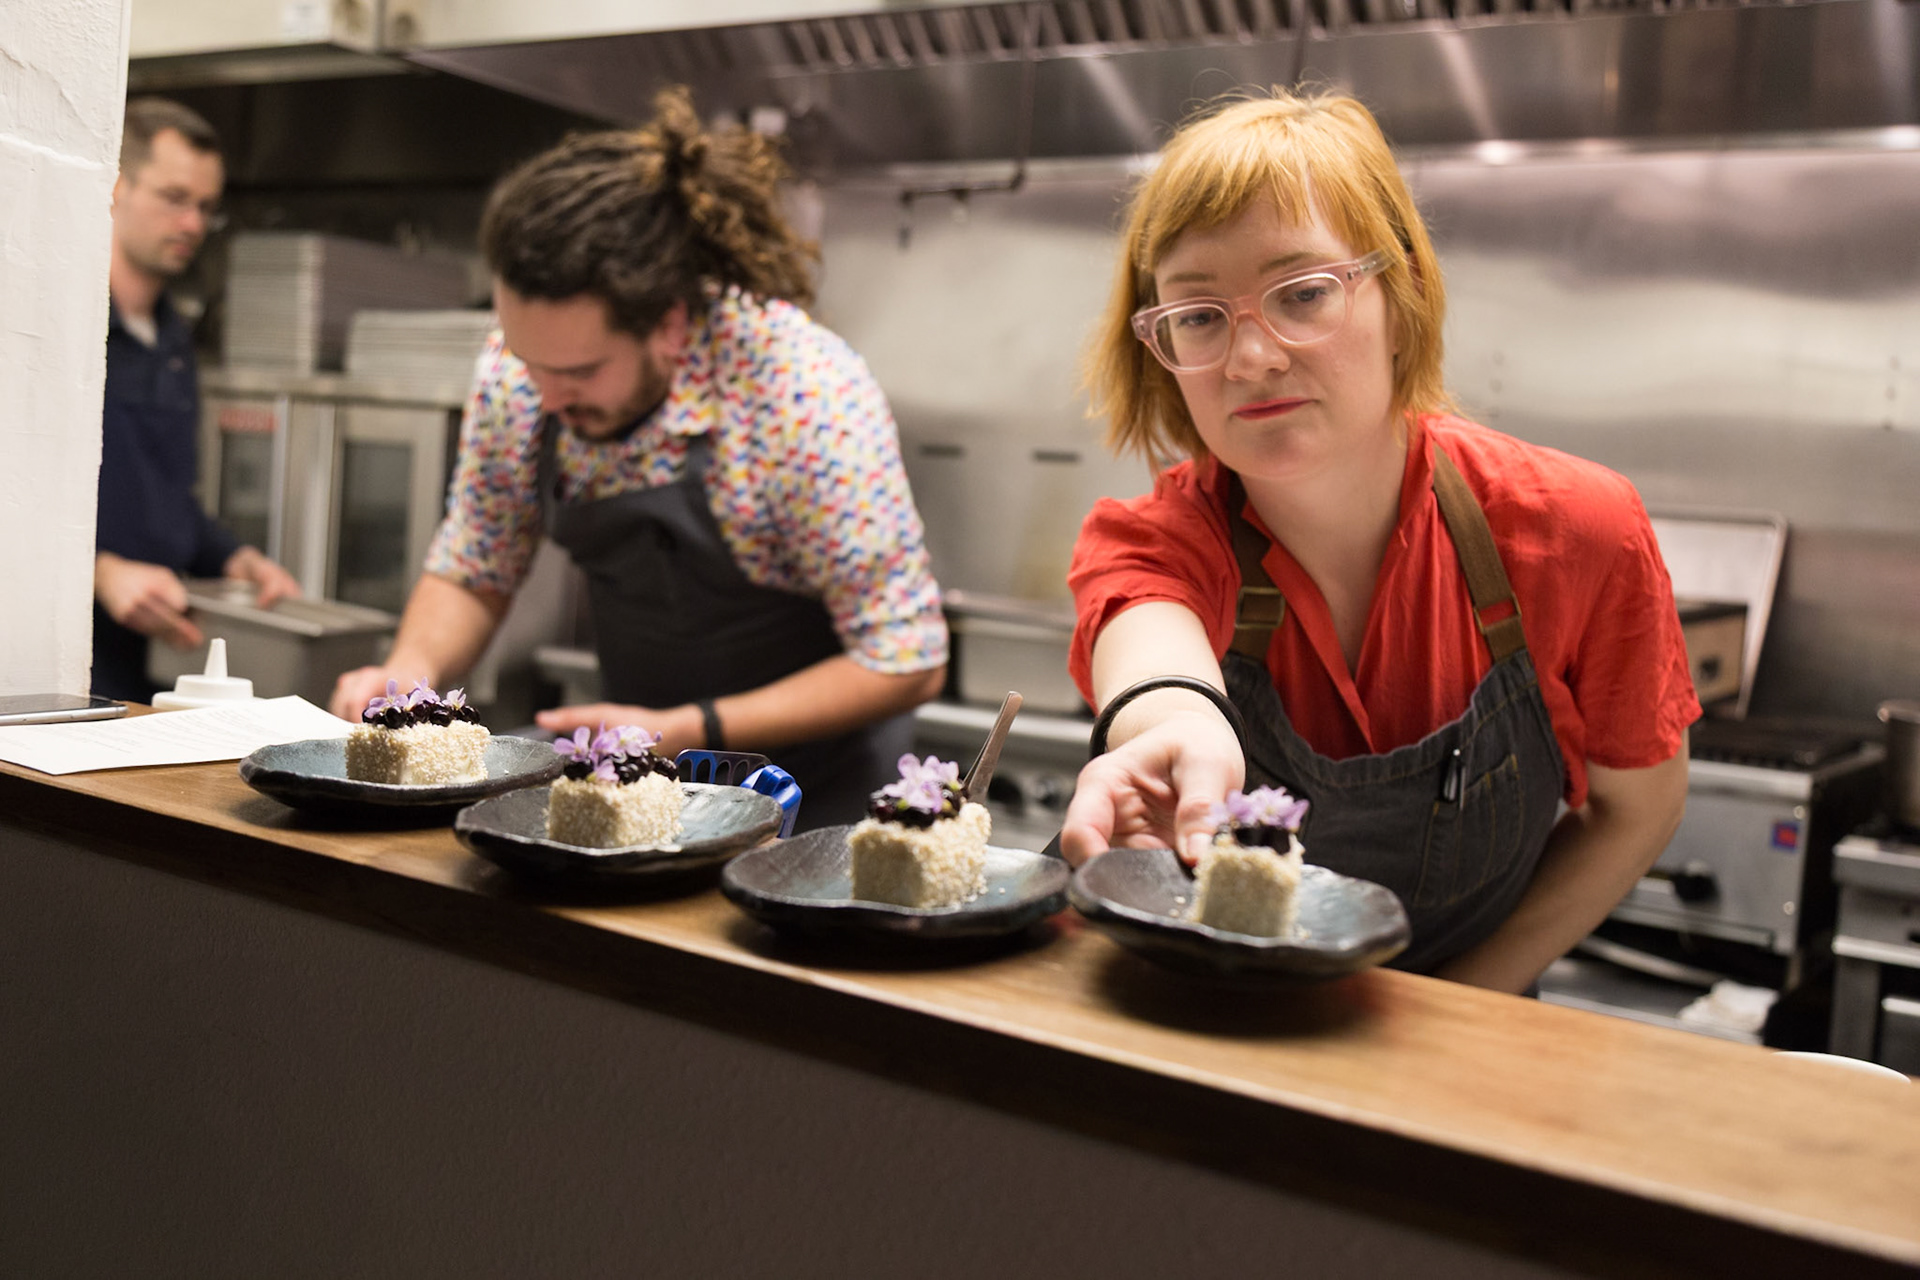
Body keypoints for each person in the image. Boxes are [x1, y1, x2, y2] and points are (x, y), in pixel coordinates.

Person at [1059, 90, 1698, 992]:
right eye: (1200, 315)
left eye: (1305, 293)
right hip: (1202, 1034)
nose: (1251, 357)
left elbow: (1642, 807)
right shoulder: (1158, 536)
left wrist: (1467, 1009)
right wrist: (1179, 730)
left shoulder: (1574, 530)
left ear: (1405, 291)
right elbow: (1154, 652)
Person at [329, 87, 948, 829]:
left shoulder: (801, 391)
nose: (549, 396)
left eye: (582, 373)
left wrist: (695, 730)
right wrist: (411, 674)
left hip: (814, 799)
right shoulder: (519, 374)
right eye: (531, 362)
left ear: (671, 325)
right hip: (636, 780)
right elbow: (477, 559)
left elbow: (904, 658)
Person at [95, 97, 301, 702]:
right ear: (116, 186)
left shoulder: (174, 339)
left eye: (206, 208)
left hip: (155, 665)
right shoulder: (49, 325)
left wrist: (232, 557)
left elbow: (165, 500)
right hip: (55, 662)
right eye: (174, 198)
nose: (192, 224)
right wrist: (99, 572)